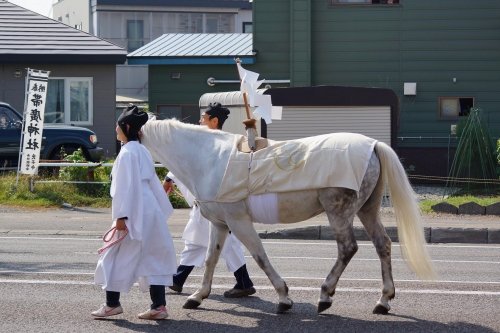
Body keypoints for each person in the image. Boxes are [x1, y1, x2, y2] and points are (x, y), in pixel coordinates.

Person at [92, 105, 177, 320]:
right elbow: (149, 185)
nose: (115, 129)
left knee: (114, 256)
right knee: (153, 259)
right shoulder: (142, 151)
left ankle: (112, 304)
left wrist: (121, 217)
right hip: (150, 213)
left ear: (126, 127)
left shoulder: (128, 153)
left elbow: (124, 188)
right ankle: (159, 306)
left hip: (133, 213)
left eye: (117, 126)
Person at [163, 103, 256, 298]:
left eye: (203, 118)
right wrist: (171, 177)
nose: (199, 121)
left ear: (214, 121)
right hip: (208, 203)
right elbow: (187, 163)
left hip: (217, 203)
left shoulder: (221, 143)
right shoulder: (205, 142)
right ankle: (178, 280)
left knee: (225, 244)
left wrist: (171, 178)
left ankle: (243, 282)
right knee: (199, 243)